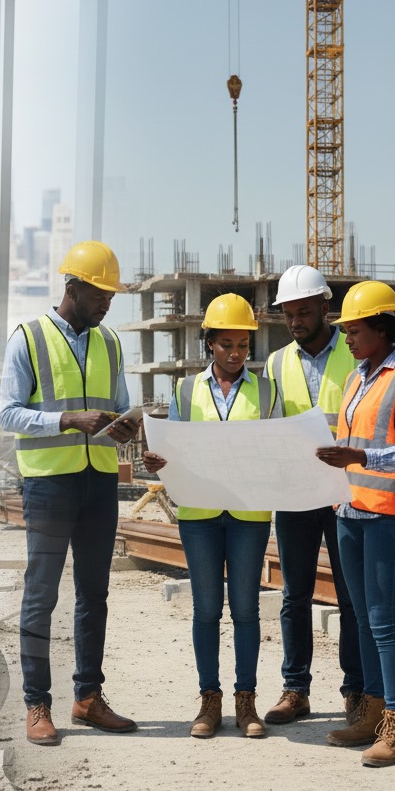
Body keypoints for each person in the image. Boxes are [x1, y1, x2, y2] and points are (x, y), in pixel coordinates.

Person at [0, 240, 139, 746]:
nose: (106, 304)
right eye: (99, 294)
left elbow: (120, 406)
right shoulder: (28, 338)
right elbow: (8, 412)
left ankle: (88, 697)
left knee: (94, 595)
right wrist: (65, 420)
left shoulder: (111, 343)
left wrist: (126, 426)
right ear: (72, 288)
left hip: (99, 481)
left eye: (110, 297)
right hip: (48, 483)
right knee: (40, 596)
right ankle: (37, 704)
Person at [142, 294, 278, 740]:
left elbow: (275, 448)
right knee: (205, 611)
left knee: (245, 610)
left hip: (248, 513)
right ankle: (209, 701)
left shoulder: (266, 391)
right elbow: (176, 448)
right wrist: (159, 461)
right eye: (226, 345)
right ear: (209, 345)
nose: (236, 353)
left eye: (243, 345)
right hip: (199, 513)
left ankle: (246, 702)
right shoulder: (185, 390)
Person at [315, 281, 395, 768]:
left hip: (388, 514)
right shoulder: (357, 378)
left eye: (355, 330)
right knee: (363, 617)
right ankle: (370, 710)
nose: (346, 338)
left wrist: (358, 456)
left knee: (384, 621)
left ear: (383, 329)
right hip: (350, 510)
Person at [263, 265, 362, 725]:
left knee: (349, 596)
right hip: (296, 491)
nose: (297, 321)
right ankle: (295, 689)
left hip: (345, 491)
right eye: (289, 315)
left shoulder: (357, 351)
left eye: (304, 311)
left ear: (326, 307)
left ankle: (356, 690)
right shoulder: (277, 362)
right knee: (294, 594)